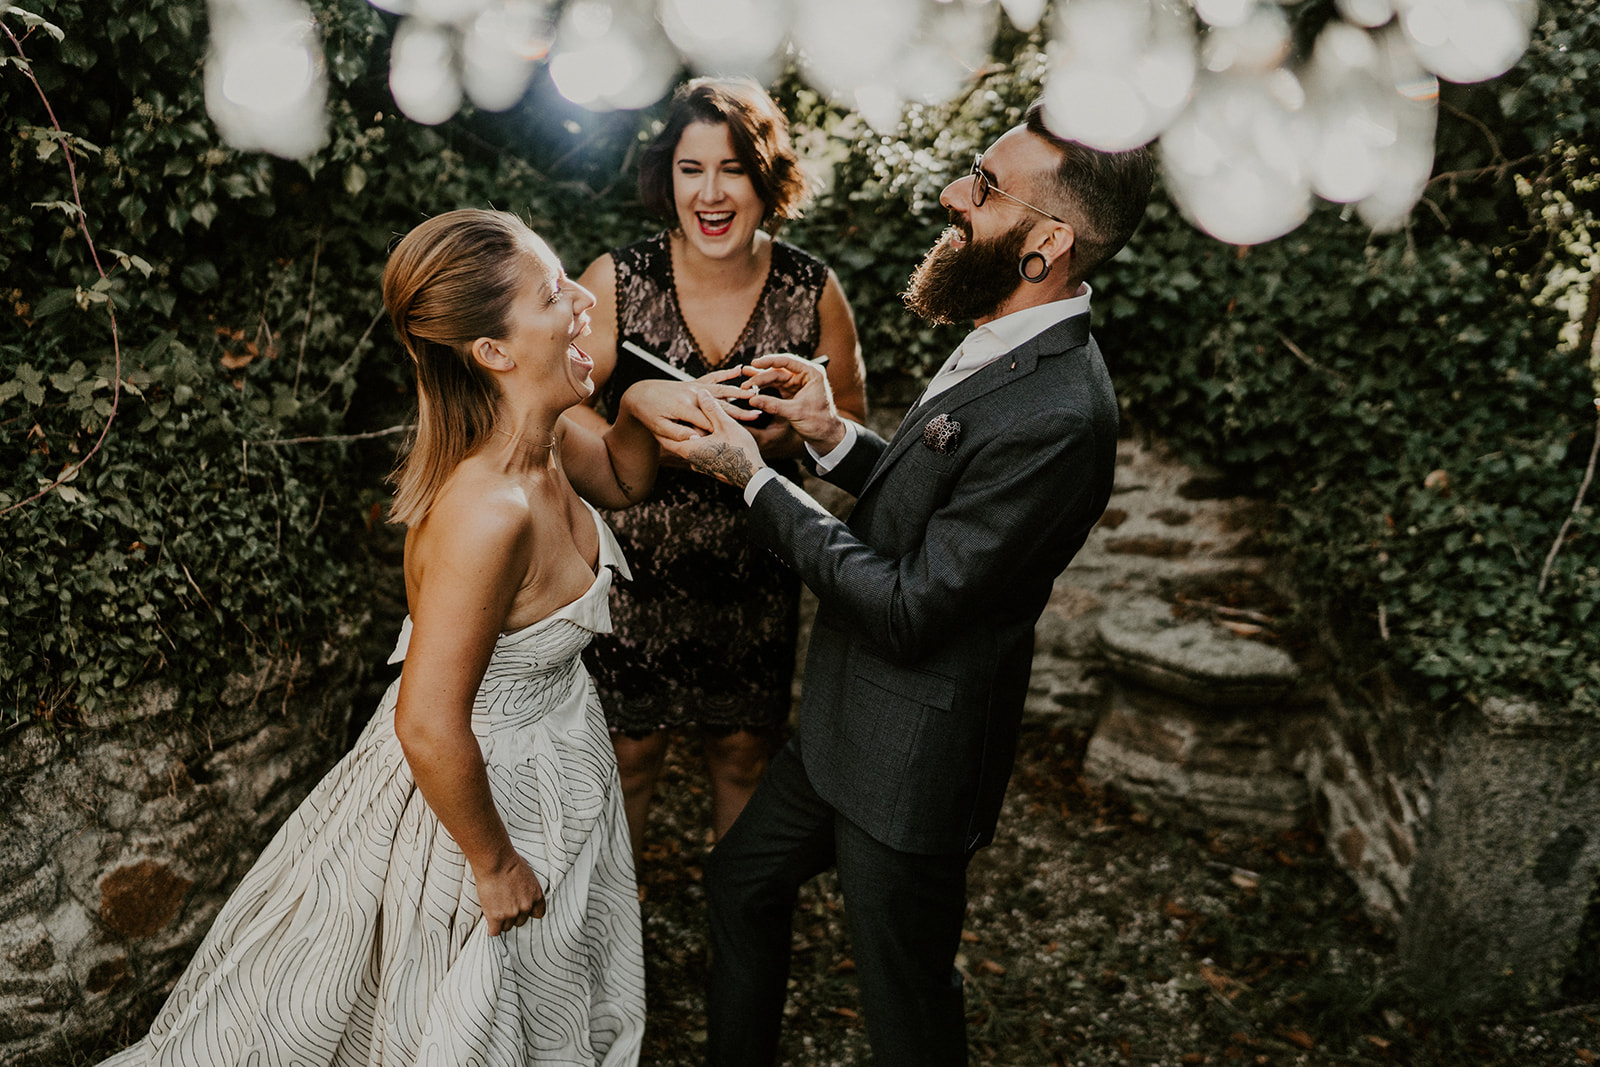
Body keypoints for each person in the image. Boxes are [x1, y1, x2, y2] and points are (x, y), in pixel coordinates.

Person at [99, 209, 702, 1066]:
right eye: (551, 292)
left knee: (545, 1012)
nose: (580, 299)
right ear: (493, 352)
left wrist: (637, 403)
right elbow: (426, 722)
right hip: (476, 806)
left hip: (560, 761)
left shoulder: (554, 436)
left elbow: (627, 477)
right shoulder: (486, 514)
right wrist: (493, 865)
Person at [653, 102, 1156, 1064]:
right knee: (739, 886)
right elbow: (938, 496)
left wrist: (751, 478)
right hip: (840, 725)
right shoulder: (1006, 331)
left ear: (1047, 242)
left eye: (985, 186)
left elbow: (912, 605)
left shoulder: (1062, 413)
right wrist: (828, 431)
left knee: (907, 1011)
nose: (952, 194)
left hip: (913, 762)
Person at [569, 77, 867, 867]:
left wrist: (782, 440)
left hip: (755, 565)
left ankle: (737, 937)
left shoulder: (812, 289)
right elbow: (556, 406)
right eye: (690, 168)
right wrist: (629, 423)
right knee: (629, 757)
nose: (710, 192)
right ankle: (612, 940)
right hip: (635, 570)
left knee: (742, 754)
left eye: (732, 168)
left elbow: (848, 433)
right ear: (666, 176)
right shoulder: (617, 280)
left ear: (767, 178)